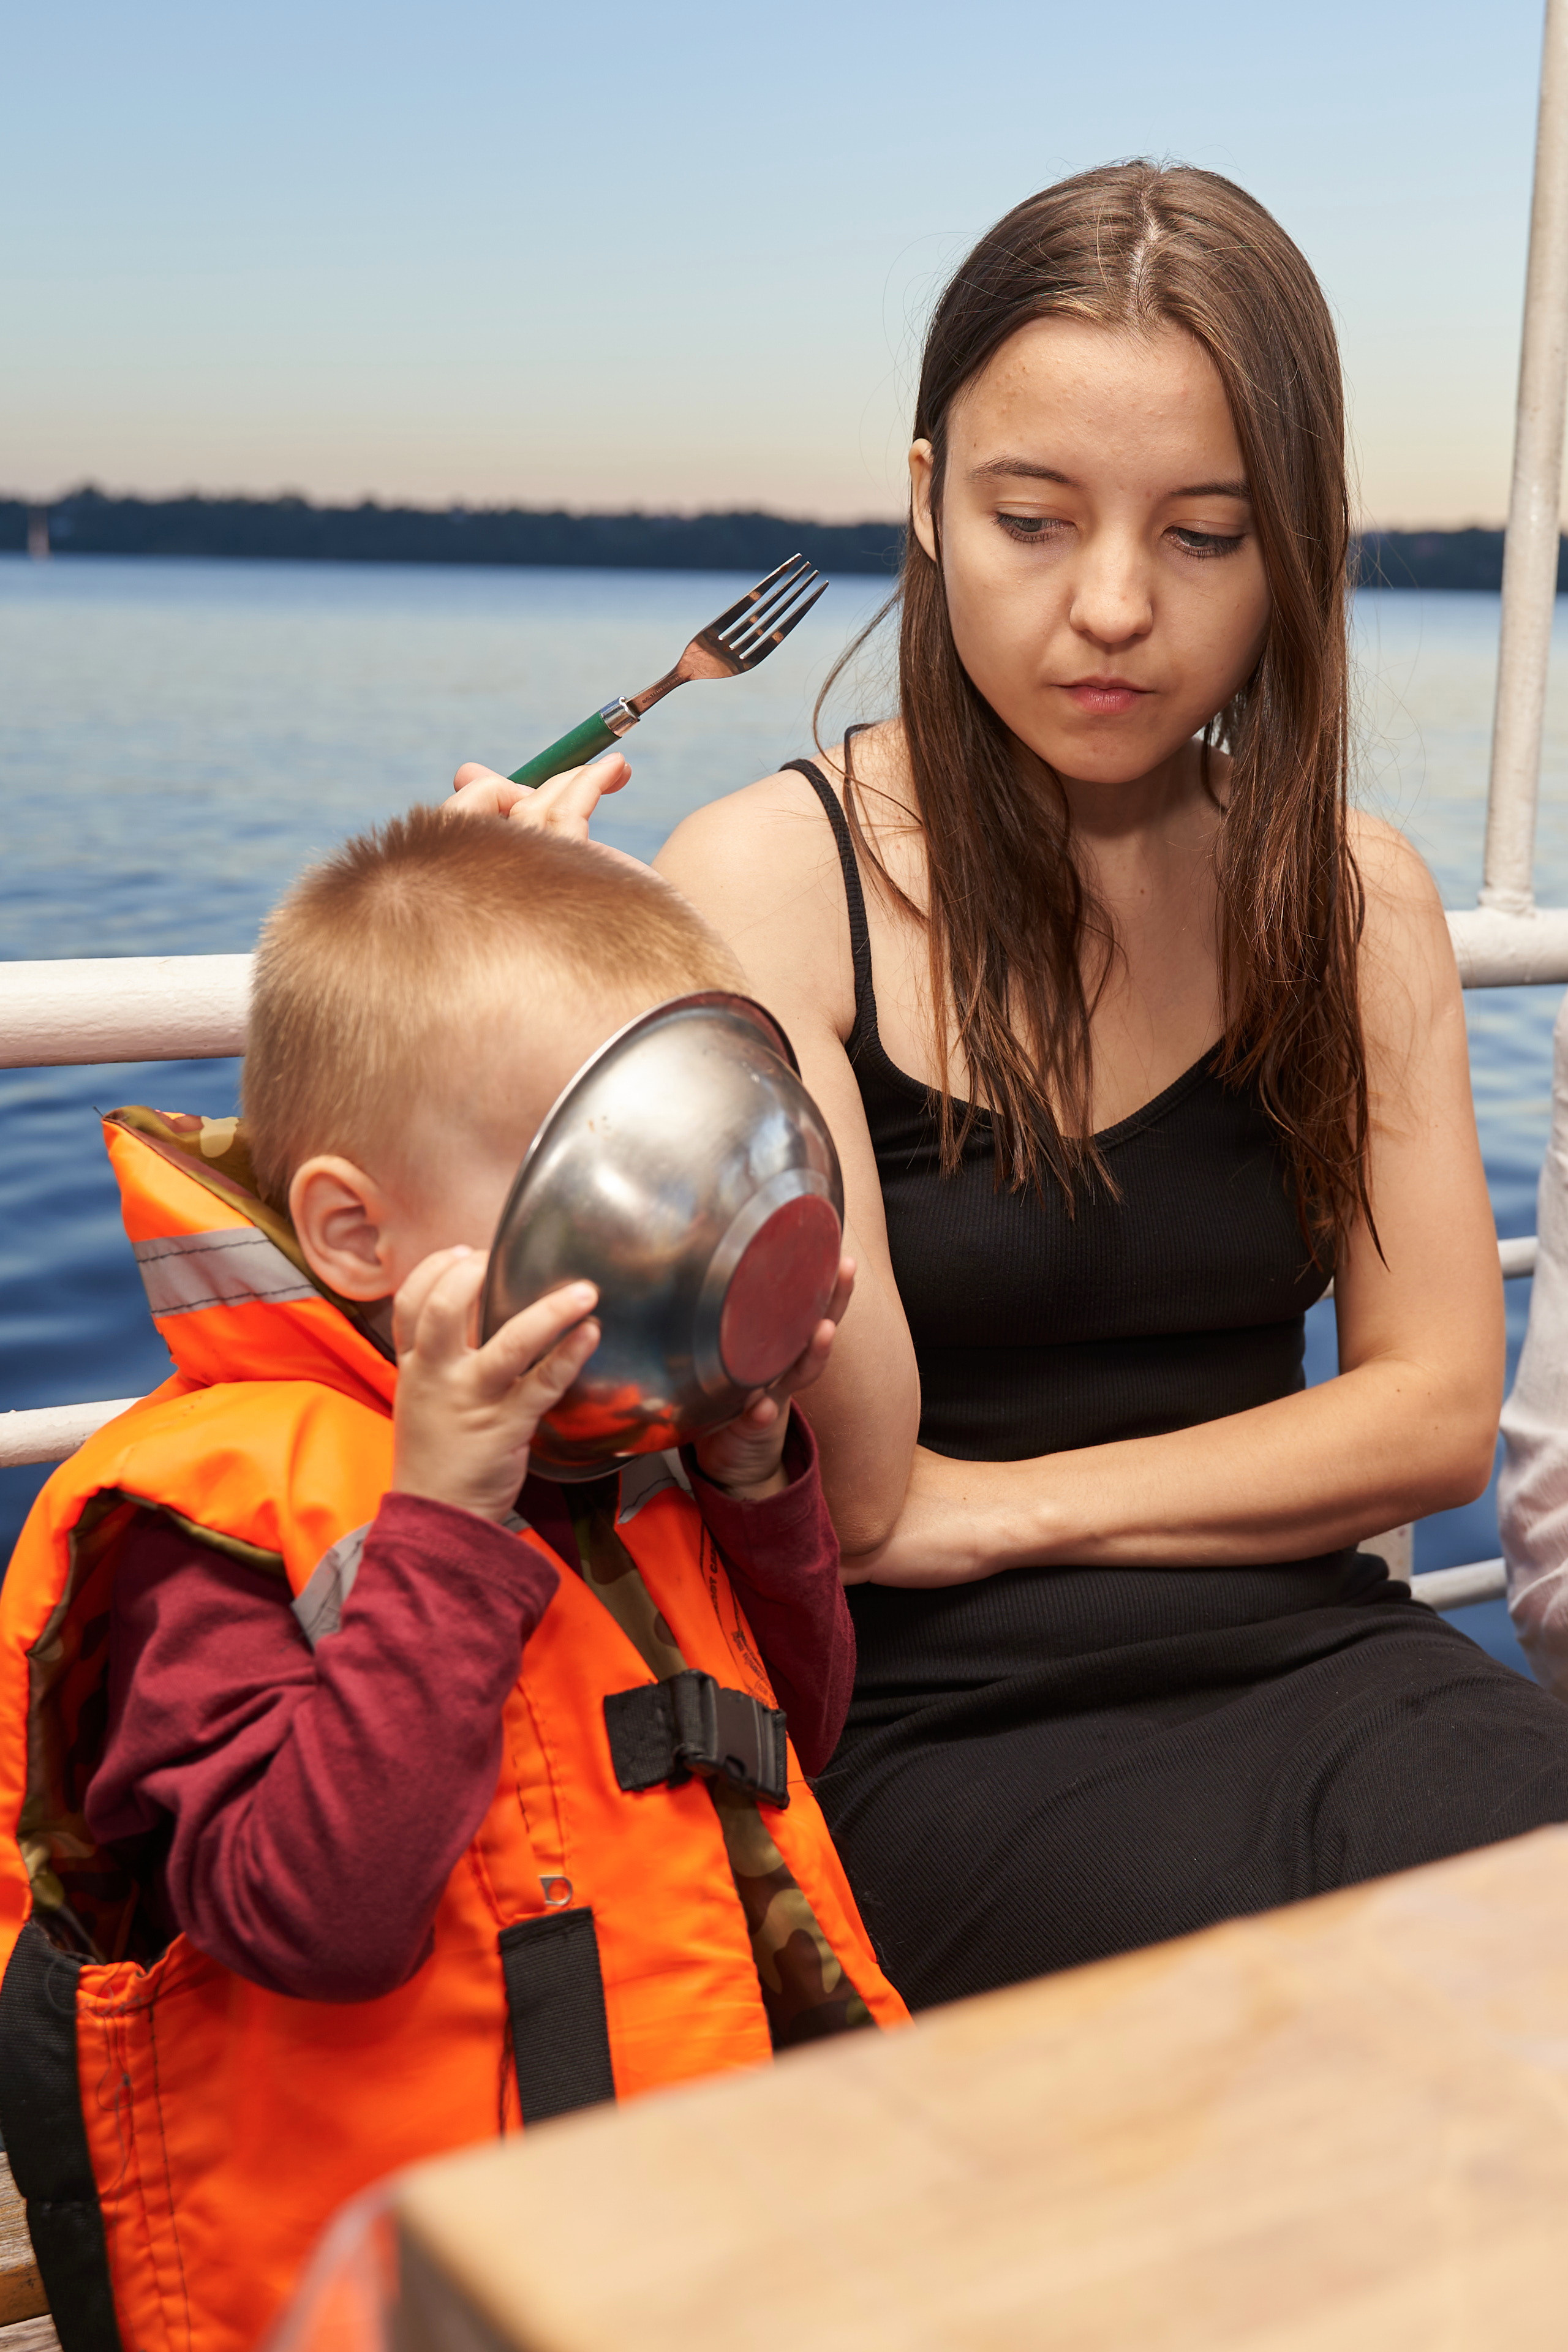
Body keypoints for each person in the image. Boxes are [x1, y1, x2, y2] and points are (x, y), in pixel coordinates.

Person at [453, 160, 1568, 2013]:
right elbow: (871, 1489)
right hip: (926, 1729)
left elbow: (1438, 1416)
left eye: (1206, 535)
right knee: (1310, 2042)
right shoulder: (773, 888)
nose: (1113, 606)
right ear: (925, 509)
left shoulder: (1347, 896)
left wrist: (1009, 1508)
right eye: (1034, 519)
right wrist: (588, 1003)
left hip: (1332, 1660)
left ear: (1299, 544)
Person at [0, 810, 905, 2352]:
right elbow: (315, 1919)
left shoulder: (605, 1445)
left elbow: (788, 1735)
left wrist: (752, 1467)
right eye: (622, 1192)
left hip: (676, 2219)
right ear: (358, 1231)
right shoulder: (210, 1525)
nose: (689, 1241)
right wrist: (445, 1524)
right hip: (414, 2297)